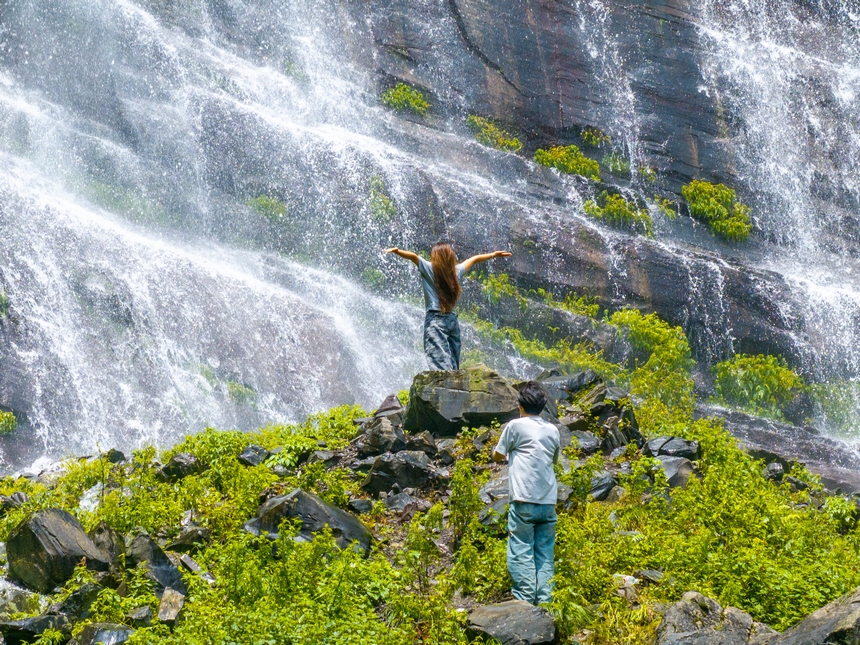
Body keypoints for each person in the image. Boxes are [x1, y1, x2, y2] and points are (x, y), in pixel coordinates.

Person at [385, 242, 511, 371]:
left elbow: (413, 257)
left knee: (439, 363)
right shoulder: (455, 272)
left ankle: (445, 388)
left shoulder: (429, 268)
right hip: (452, 320)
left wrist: (397, 251)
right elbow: (473, 260)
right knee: (453, 361)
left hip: (436, 320)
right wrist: (493, 254)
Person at [492, 381, 560, 605]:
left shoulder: (515, 426)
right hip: (548, 501)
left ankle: (524, 604)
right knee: (545, 553)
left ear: (520, 407)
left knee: (521, 550)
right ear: (543, 407)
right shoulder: (553, 430)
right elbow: (553, 460)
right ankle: (546, 603)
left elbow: (497, 455)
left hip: (523, 500)